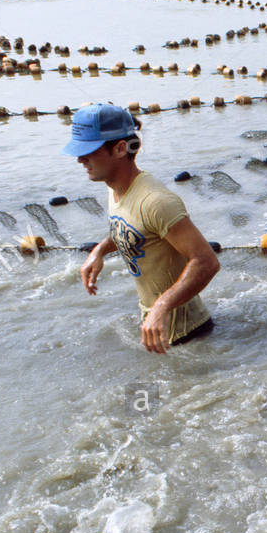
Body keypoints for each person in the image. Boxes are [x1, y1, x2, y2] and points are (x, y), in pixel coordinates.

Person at [64, 103, 219, 353]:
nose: (80, 159)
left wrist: (161, 307)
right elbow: (136, 228)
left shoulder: (155, 201)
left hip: (188, 338)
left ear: (120, 149)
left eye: (88, 151)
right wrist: (101, 250)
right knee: (141, 393)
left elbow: (206, 261)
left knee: (144, 393)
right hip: (157, 329)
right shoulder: (115, 187)